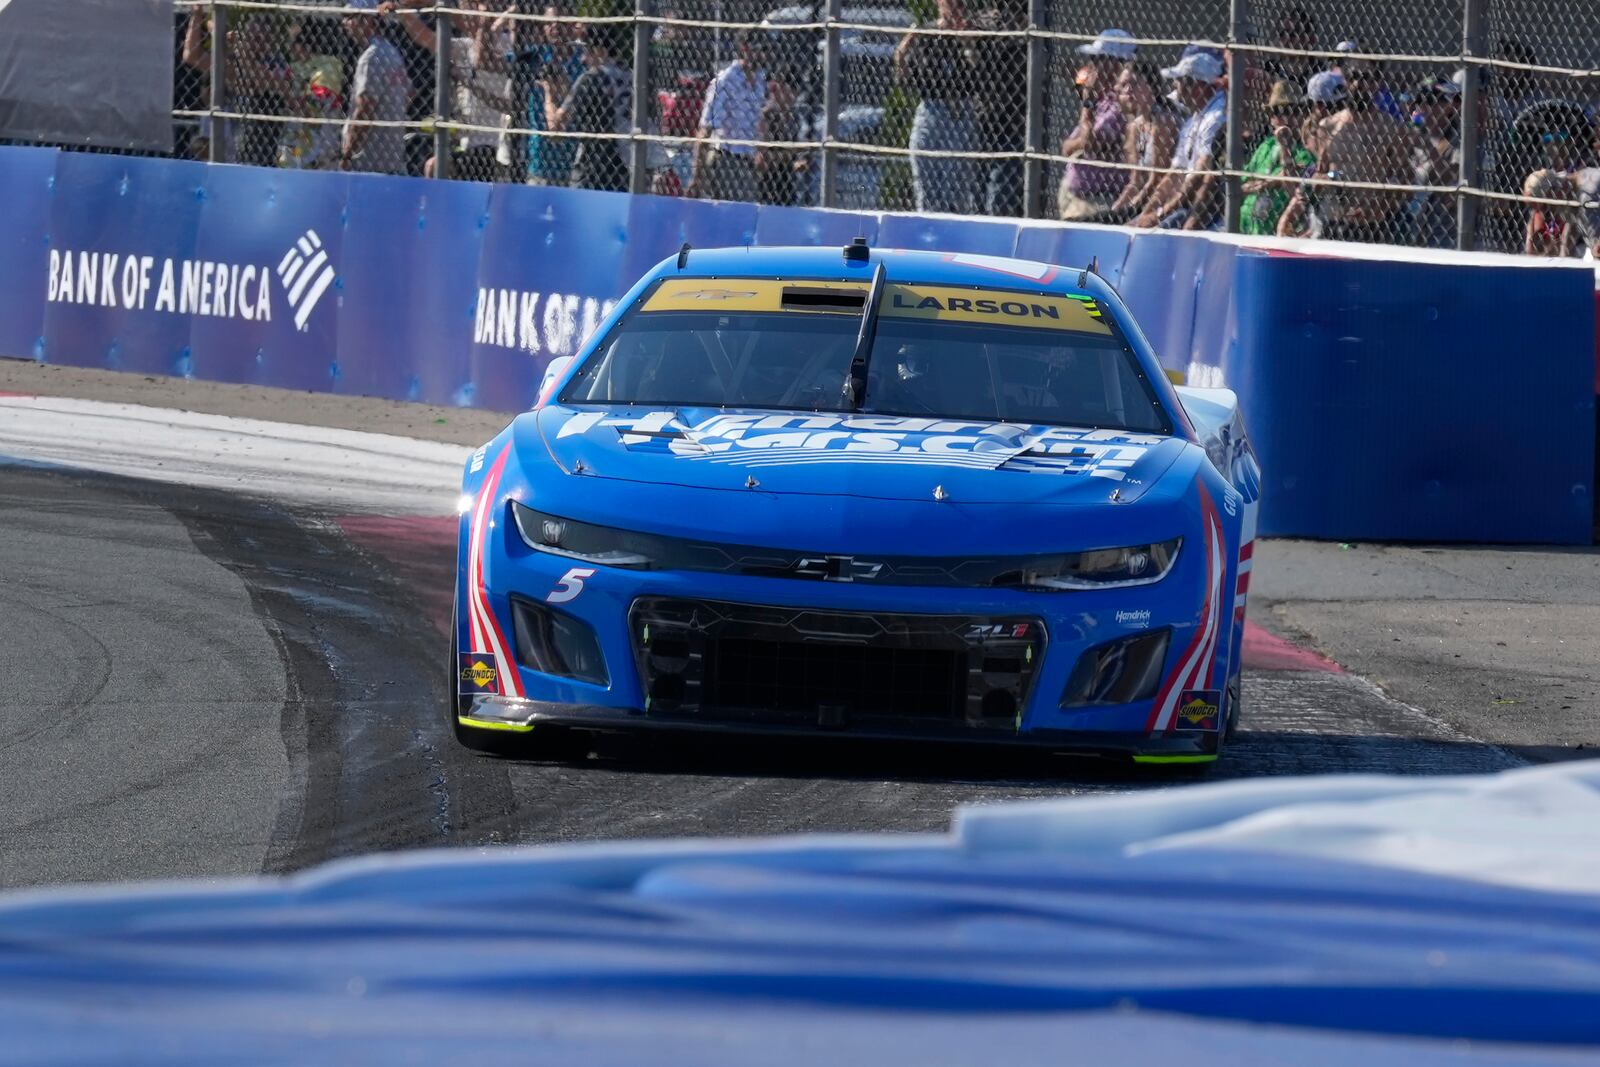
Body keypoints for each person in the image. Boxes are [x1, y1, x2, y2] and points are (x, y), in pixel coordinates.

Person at [1311, 59, 1415, 244]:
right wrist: (1330, 179)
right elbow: (1319, 174)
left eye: (1366, 78)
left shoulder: (1391, 129)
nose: (1358, 84)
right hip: (1334, 221)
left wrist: (1381, 206)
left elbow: (1407, 182)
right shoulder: (1328, 126)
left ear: (1378, 82)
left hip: (1373, 224)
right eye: (1352, 77)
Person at [894, 0, 980, 215]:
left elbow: (981, 78)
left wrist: (968, 46)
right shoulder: (928, 34)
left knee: (957, 186)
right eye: (949, 3)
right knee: (926, 180)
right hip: (933, 108)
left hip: (961, 111)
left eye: (960, 4)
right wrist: (902, 56)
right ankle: (928, 225)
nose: (955, 8)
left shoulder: (974, 34)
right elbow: (909, 77)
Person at [1131, 50, 1226, 230]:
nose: (1175, 85)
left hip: (1206, 210)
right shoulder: (1193, 120)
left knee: (1155, 230)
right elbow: (1175, 173)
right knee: (1136, 225)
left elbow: (1198, 178)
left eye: (1180, 80)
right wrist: (1146, 214)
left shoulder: (1216, 117)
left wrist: (1159, 214)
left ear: (1197, 85)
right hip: (1185, 205)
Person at [1056, 28, 1136, 221]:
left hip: (1098, 199)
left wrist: (1087, 101)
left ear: (1116, 64)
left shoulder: (1121, 106)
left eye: (1099, 60)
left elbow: (1088, 143)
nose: (1092, 65)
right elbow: (1067, 147)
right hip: (1076, 194)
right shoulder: (1103, 100)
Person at [543, 24, 631, 192]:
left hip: (592, 167)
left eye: (588, 51)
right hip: (627, 167)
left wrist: (549, 93)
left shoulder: (590, 78)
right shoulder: (632, 78)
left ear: (601, 51)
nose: (583, 59)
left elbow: (555, 130)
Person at [508, 5, 587, 187]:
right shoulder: (534, 56)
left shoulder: (583, 61)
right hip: (537, 160)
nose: (555, 27)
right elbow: (493, 63)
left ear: (572, 26)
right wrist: (488, 24)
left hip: (572, 161)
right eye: (549, 23)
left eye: (561, 22)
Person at [689, 31, 768, 202]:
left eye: (766, 49)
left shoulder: (760, 80)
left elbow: (759, 120)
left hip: (748, 160)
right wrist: (696, 177)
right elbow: (706, 129)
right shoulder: (726, 81)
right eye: (759, 49)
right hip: (726, 159)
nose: (764, 55)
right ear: (744, 49)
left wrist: (760, 150)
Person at [342, 0, 412, 174]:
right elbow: (410, 93)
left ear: (368, 21)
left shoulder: (370, 57)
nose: (345, 23)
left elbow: (365, 108)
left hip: (367, 162)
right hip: (390, 158)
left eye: (350, 17)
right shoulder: (391, 51)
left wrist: (348, 154)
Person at [1238, 80, 1315, 236]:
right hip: (1247, 229)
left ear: (1302, 114)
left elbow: (1291, 184)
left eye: (1292, 111)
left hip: (1276, 231)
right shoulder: (1265, 146)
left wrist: (1285, 148)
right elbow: (1243, 184)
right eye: (1278, 112)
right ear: (1271, 118)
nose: (1286, 118)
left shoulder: (1305, 153)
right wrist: (1270, 182)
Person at [974, 0, 1028, 216]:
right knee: (976, 193)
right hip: (984, 118)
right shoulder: (984, 28)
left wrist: (1013, 28)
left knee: (999, 198)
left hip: (1013, 122)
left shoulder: (1026, 35)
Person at [1107, 63, 1178, 221]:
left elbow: (1156, 179)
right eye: (1124, 85)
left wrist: (1132, 209)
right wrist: (1115, 211)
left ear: (1152, 87)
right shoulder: (1135, 127)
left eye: (1134, 84)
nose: (1127, 91)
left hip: (1167, 201)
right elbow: (1135, 182)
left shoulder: (1164, 122)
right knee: (1106, 219)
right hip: (1145, 201)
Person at [1409, 75, 1462, 248]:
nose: (1425, 106)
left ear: (1449, 106)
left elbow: (1447, 180)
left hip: (1441, 230)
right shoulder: (1408, 137)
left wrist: (1426, 145)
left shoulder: (1457, 140)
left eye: (1433, 101)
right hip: (1410, 223)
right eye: (1421, 100)